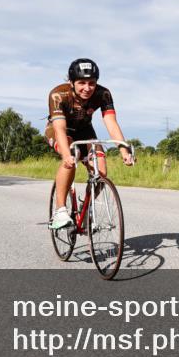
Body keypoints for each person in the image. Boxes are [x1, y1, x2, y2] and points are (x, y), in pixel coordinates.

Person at [46, 58, 133, 229]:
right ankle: (60, 210)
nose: (87, 88)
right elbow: (60, 129)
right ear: (71, 82)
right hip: (60, 130)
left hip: (85, 131)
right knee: (72, 155)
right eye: (82, 83)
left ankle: (85, 211)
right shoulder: (58, 95)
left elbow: (111, 123)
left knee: (101, 171)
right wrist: (66, 155)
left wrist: (124, 151)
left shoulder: (103, 94)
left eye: (92, 83)